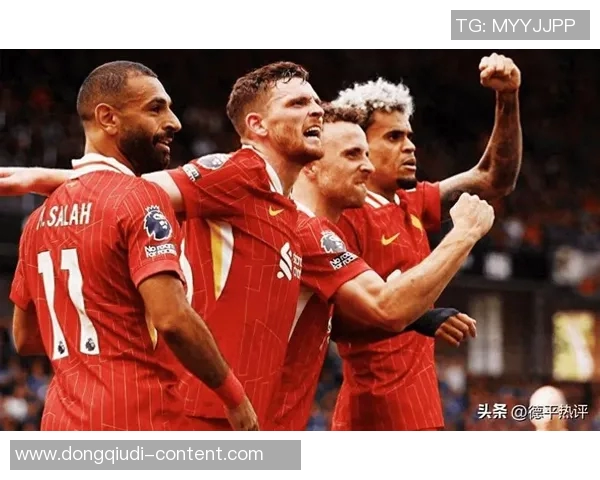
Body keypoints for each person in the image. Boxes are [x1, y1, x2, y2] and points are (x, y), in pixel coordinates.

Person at [0, 61, 325, 430]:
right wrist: (234, 397)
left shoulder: (39, 219)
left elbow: (26, 338)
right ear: (108, 118)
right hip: (138, 417)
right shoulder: (147, 198)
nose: (174, 122)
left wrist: (97, 334)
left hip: (62, 421)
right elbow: (172, 319)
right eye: (156, 108)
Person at [266, 104, 493, 430]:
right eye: (352, 155)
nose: (368, 167)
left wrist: (416, 314)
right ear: (311, 165)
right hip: (255, 426)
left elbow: (360, 317)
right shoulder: (305, 230)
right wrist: (465, 233)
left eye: (365, 154)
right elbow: (387, 308)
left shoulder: (309, 229)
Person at [329, 52, 523, 430]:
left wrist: (508, 98)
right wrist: (420, 317)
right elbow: (337, 320)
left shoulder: (410, 200)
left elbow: (494, 178)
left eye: (409, 136)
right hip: (374, 413)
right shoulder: (343, 215)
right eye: (393, 136)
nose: (410, 146)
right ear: (357, 146)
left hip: (422, 409)